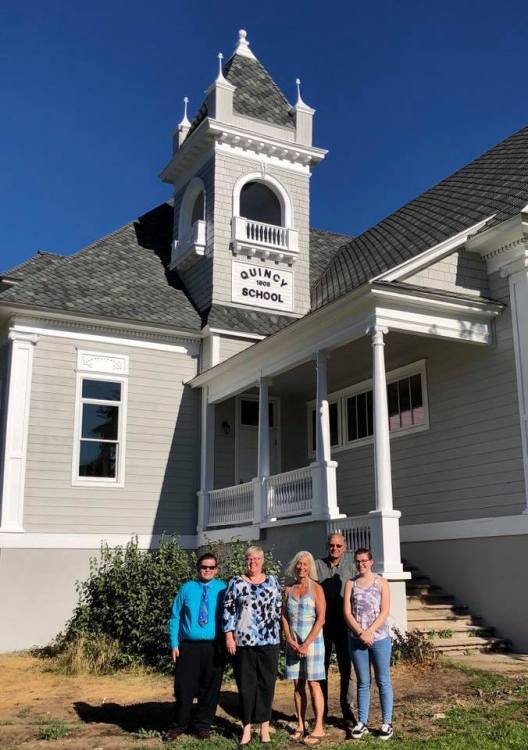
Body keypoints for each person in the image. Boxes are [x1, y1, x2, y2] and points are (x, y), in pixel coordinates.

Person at [223, 545, 282, 745]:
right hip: (244, 642)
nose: (253, 562)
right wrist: (229, 636)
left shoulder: (273, 581)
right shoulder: (236, 582)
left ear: (263, 560)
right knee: (246, 685)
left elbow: (279, 608)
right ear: (245, 561)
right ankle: (246, 728)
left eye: (257, 558)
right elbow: (228, 610)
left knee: (267, 684)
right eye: (249, 559)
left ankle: (265, 728)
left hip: (270, 640)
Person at [167, 552, 226, 740]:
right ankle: (179, 725)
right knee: (184, 688)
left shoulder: (223, 589)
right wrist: (174, 643)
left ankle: (203, 726)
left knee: (210, 689)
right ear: (198, 568)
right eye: (204, 567)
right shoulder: (187, 588)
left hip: (214, 646)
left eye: (211, 567)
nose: (207, 570)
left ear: (216, 569)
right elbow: (175, 616)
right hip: (189, 647)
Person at [343, 548, 393, 742]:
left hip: (379, 639)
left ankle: (387, 722)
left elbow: (385, 610)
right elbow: (347, 612)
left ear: (371, 562)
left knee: (383, 681)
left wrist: (370, 632)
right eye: (358, 561)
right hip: (357, 640)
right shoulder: (350, 584)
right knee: (363, 682)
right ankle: (362, 722)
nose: (361, 564)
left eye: (364, 561)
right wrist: (361, 633)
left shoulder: (382, 582)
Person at [282, 551, 326, 746]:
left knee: (313, 684)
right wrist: (289, 639)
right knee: (297, 685)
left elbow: (321, 619)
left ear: (310, 568)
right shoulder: (289, 590)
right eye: (299, 564)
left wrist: (306, 643)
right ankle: (300, 724)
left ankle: (318, 727)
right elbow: (283, 616)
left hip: (313, 643)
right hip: (293, 642)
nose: (302, 568)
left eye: (305, 564)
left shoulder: (316, 589)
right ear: (295, 566)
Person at [315, 533, 355, 728]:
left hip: (344, 626)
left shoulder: (352, 568)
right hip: (321, 626)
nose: (335, 549)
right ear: (327, 546)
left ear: (344, 547)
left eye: (339, 546)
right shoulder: (316, 566)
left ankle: (347, 711)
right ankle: (321, 712)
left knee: (346, 669)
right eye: (332, 545)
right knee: (320, 669)